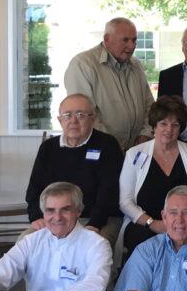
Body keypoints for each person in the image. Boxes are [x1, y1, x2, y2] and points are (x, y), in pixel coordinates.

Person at [25, 94, 122, 246]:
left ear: (93, 118)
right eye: (67, 115)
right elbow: (34, 188)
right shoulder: (48, 148)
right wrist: (36, 217)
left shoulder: (107, 145)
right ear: (60, 120)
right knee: (25, 245)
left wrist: (94, 224)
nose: (73, 121)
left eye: (80, 115)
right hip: (55, 218)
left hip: (96, 219)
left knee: (93, 250)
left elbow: (109, 192)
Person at [119, 96, 187, 256]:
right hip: (144, 226)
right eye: (163, 123)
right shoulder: (134, 154)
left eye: (175, 125)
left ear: (181, 128)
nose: (169, 129)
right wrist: (152, 223)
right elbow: (125, 202)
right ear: (154, 125)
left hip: (183, 226)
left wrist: (178, 225)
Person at [63, 17, 153, 149]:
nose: (132, 46)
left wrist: (146, 134)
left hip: (136, 152)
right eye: (125, 40)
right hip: (99, 152)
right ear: (107, 39)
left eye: (134, 40)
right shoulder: (83, 65)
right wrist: (111, 146)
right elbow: (83, 116)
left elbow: (149, 106)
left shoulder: (136, 65)